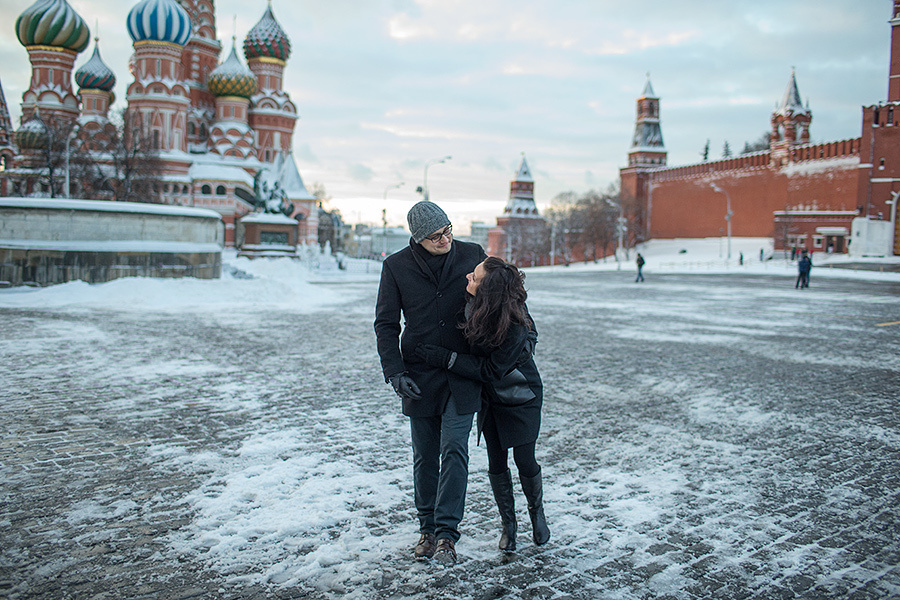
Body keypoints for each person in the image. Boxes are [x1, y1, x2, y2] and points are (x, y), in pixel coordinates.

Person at [374, 201, 487, 565]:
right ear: (418, 238)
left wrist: (522, 331)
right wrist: (395, 372)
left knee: (454, 448)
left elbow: (501, 295)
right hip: (419, 373)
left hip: (462, 370)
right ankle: (427, 528)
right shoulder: (396, 267)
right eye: (436, 236)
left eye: (448, 230)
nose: (445, 239)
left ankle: (447, 534)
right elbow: (386, 324)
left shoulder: (472, 254)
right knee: (425, 455)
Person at [416, 257, 550, 553]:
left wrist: (447, 359)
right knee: (496, 462)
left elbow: (491, 369)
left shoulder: (513, 321)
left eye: (474, 277)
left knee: (525, 460)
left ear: (488, 290)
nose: (468, 277)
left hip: (522, 394)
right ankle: (509, 526)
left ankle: (536, 513)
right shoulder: (471, 303)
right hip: (490, 396)